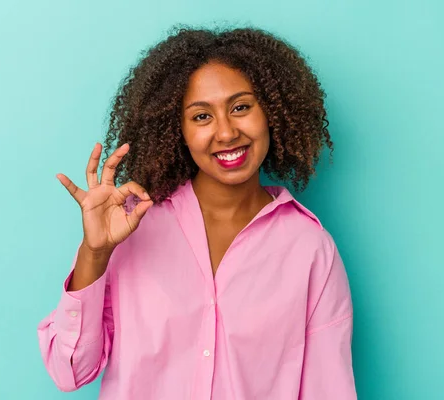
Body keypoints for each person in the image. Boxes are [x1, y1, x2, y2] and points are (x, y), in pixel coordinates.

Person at [37, 26, 357, 399]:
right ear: (179, 131)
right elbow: (69, 371)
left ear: (271, 111)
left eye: (240, 107)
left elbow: (328, 389)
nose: (225, 133)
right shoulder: (132, 227)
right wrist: (95, 254)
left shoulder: (309, 249)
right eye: (202, 117)